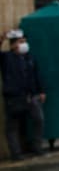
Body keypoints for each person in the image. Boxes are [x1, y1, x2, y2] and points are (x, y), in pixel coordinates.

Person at [3, 29, 46, 160]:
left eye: (25, 42)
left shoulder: (29, 58)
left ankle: (37, 147)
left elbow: (36, 75)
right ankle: (16, 153)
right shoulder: (7, 58)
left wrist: (41, 91)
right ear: (14, 44)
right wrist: (2, 39)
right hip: (14, 97)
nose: (24, 44)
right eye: (21, 42)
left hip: (30, 96)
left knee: (38, 120)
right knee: (12, 126)